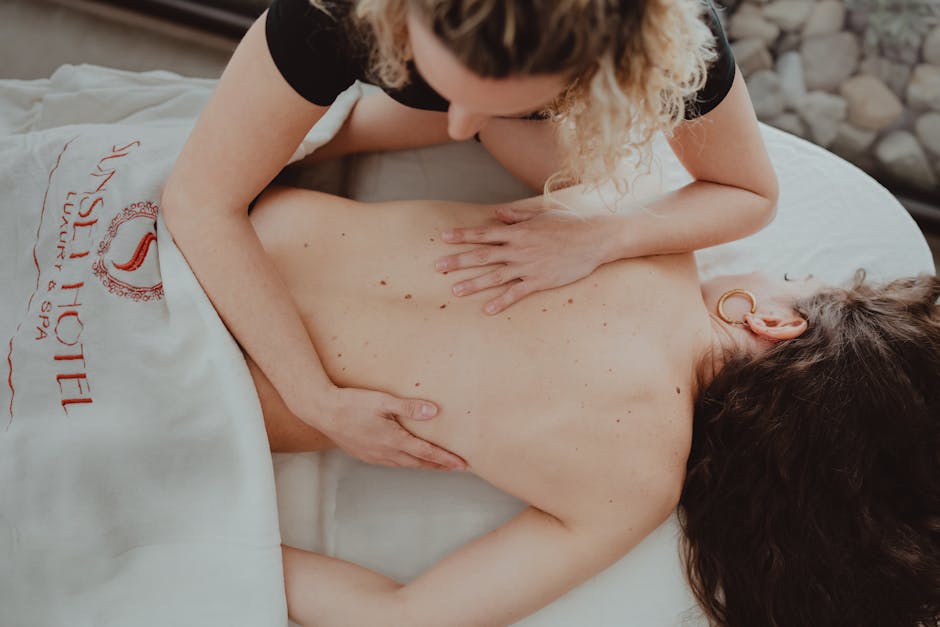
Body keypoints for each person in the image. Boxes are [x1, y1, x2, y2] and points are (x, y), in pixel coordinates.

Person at [245, 186, 939, 626]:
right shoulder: (636, 485)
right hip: (198, 384)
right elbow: (402, 618)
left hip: (213, 228)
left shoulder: (649, 236)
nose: (772, 270)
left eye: (792, 277)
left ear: (774, 320)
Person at [161, 0, 778, 472]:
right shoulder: (332, 13)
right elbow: (196, 200)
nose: (458, 124)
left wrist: (603, 236)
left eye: (496, 105)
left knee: (597, 180)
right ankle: (326, 132)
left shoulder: (667, 37)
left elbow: (750, 194)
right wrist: (315, 399)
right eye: (451, 93)